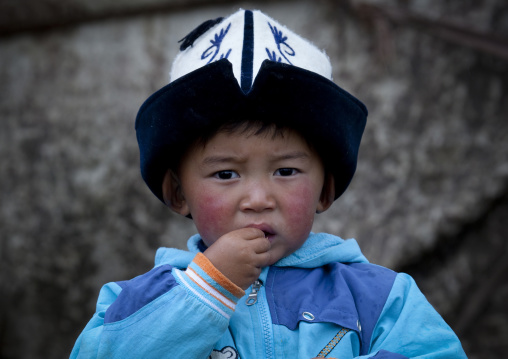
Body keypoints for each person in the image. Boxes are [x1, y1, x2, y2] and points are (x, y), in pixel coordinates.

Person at [70, 9, 467, 359]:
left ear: (325, 190)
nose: (258, 199)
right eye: (226, 174)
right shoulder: (134, 303)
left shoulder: (381, 298)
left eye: (285, 171)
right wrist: (206, 290)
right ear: (177, 192)